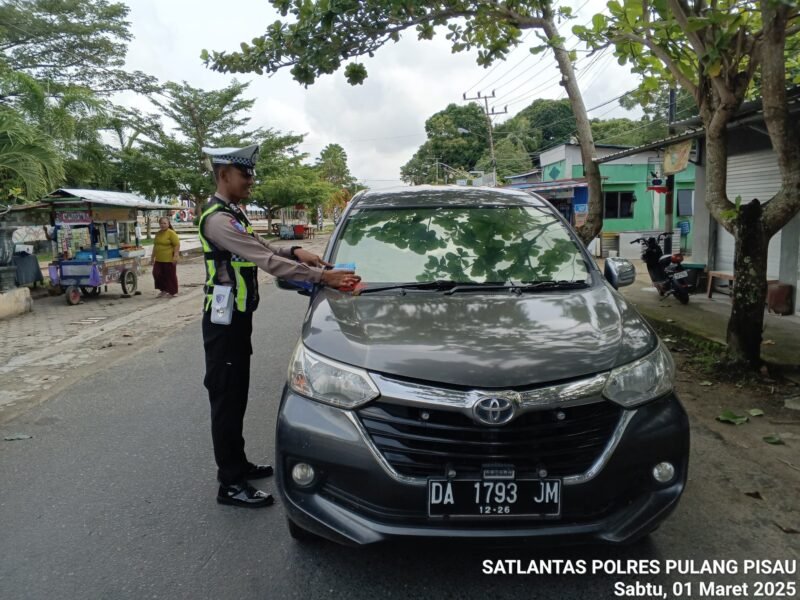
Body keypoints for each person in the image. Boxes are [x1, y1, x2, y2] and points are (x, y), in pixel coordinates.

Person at [199, 143, 359, 508]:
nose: (251, 181)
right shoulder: (217, 219)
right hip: (222, 323)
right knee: (226, 397)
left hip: (237, 318)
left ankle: (238, 463)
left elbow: (263, 245)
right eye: (245, 174)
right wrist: (323, 276)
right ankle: (230, 483)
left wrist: (295, 250)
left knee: (236, 391)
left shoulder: (232, 212)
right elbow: (265, 261)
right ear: (224, 175)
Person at [151, 216, 180, 298]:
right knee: (156, 273)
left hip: (169, 258)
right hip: (159, 259)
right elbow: (155, 246)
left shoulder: (171, 233)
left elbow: (177, 244)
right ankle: (163, 290)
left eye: (165, 223)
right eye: (161, 223)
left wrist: (175, 255)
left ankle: (173, 291)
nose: (163, 225)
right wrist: (152, 257)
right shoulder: (158, 233)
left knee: (170, 275)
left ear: (168, 224)